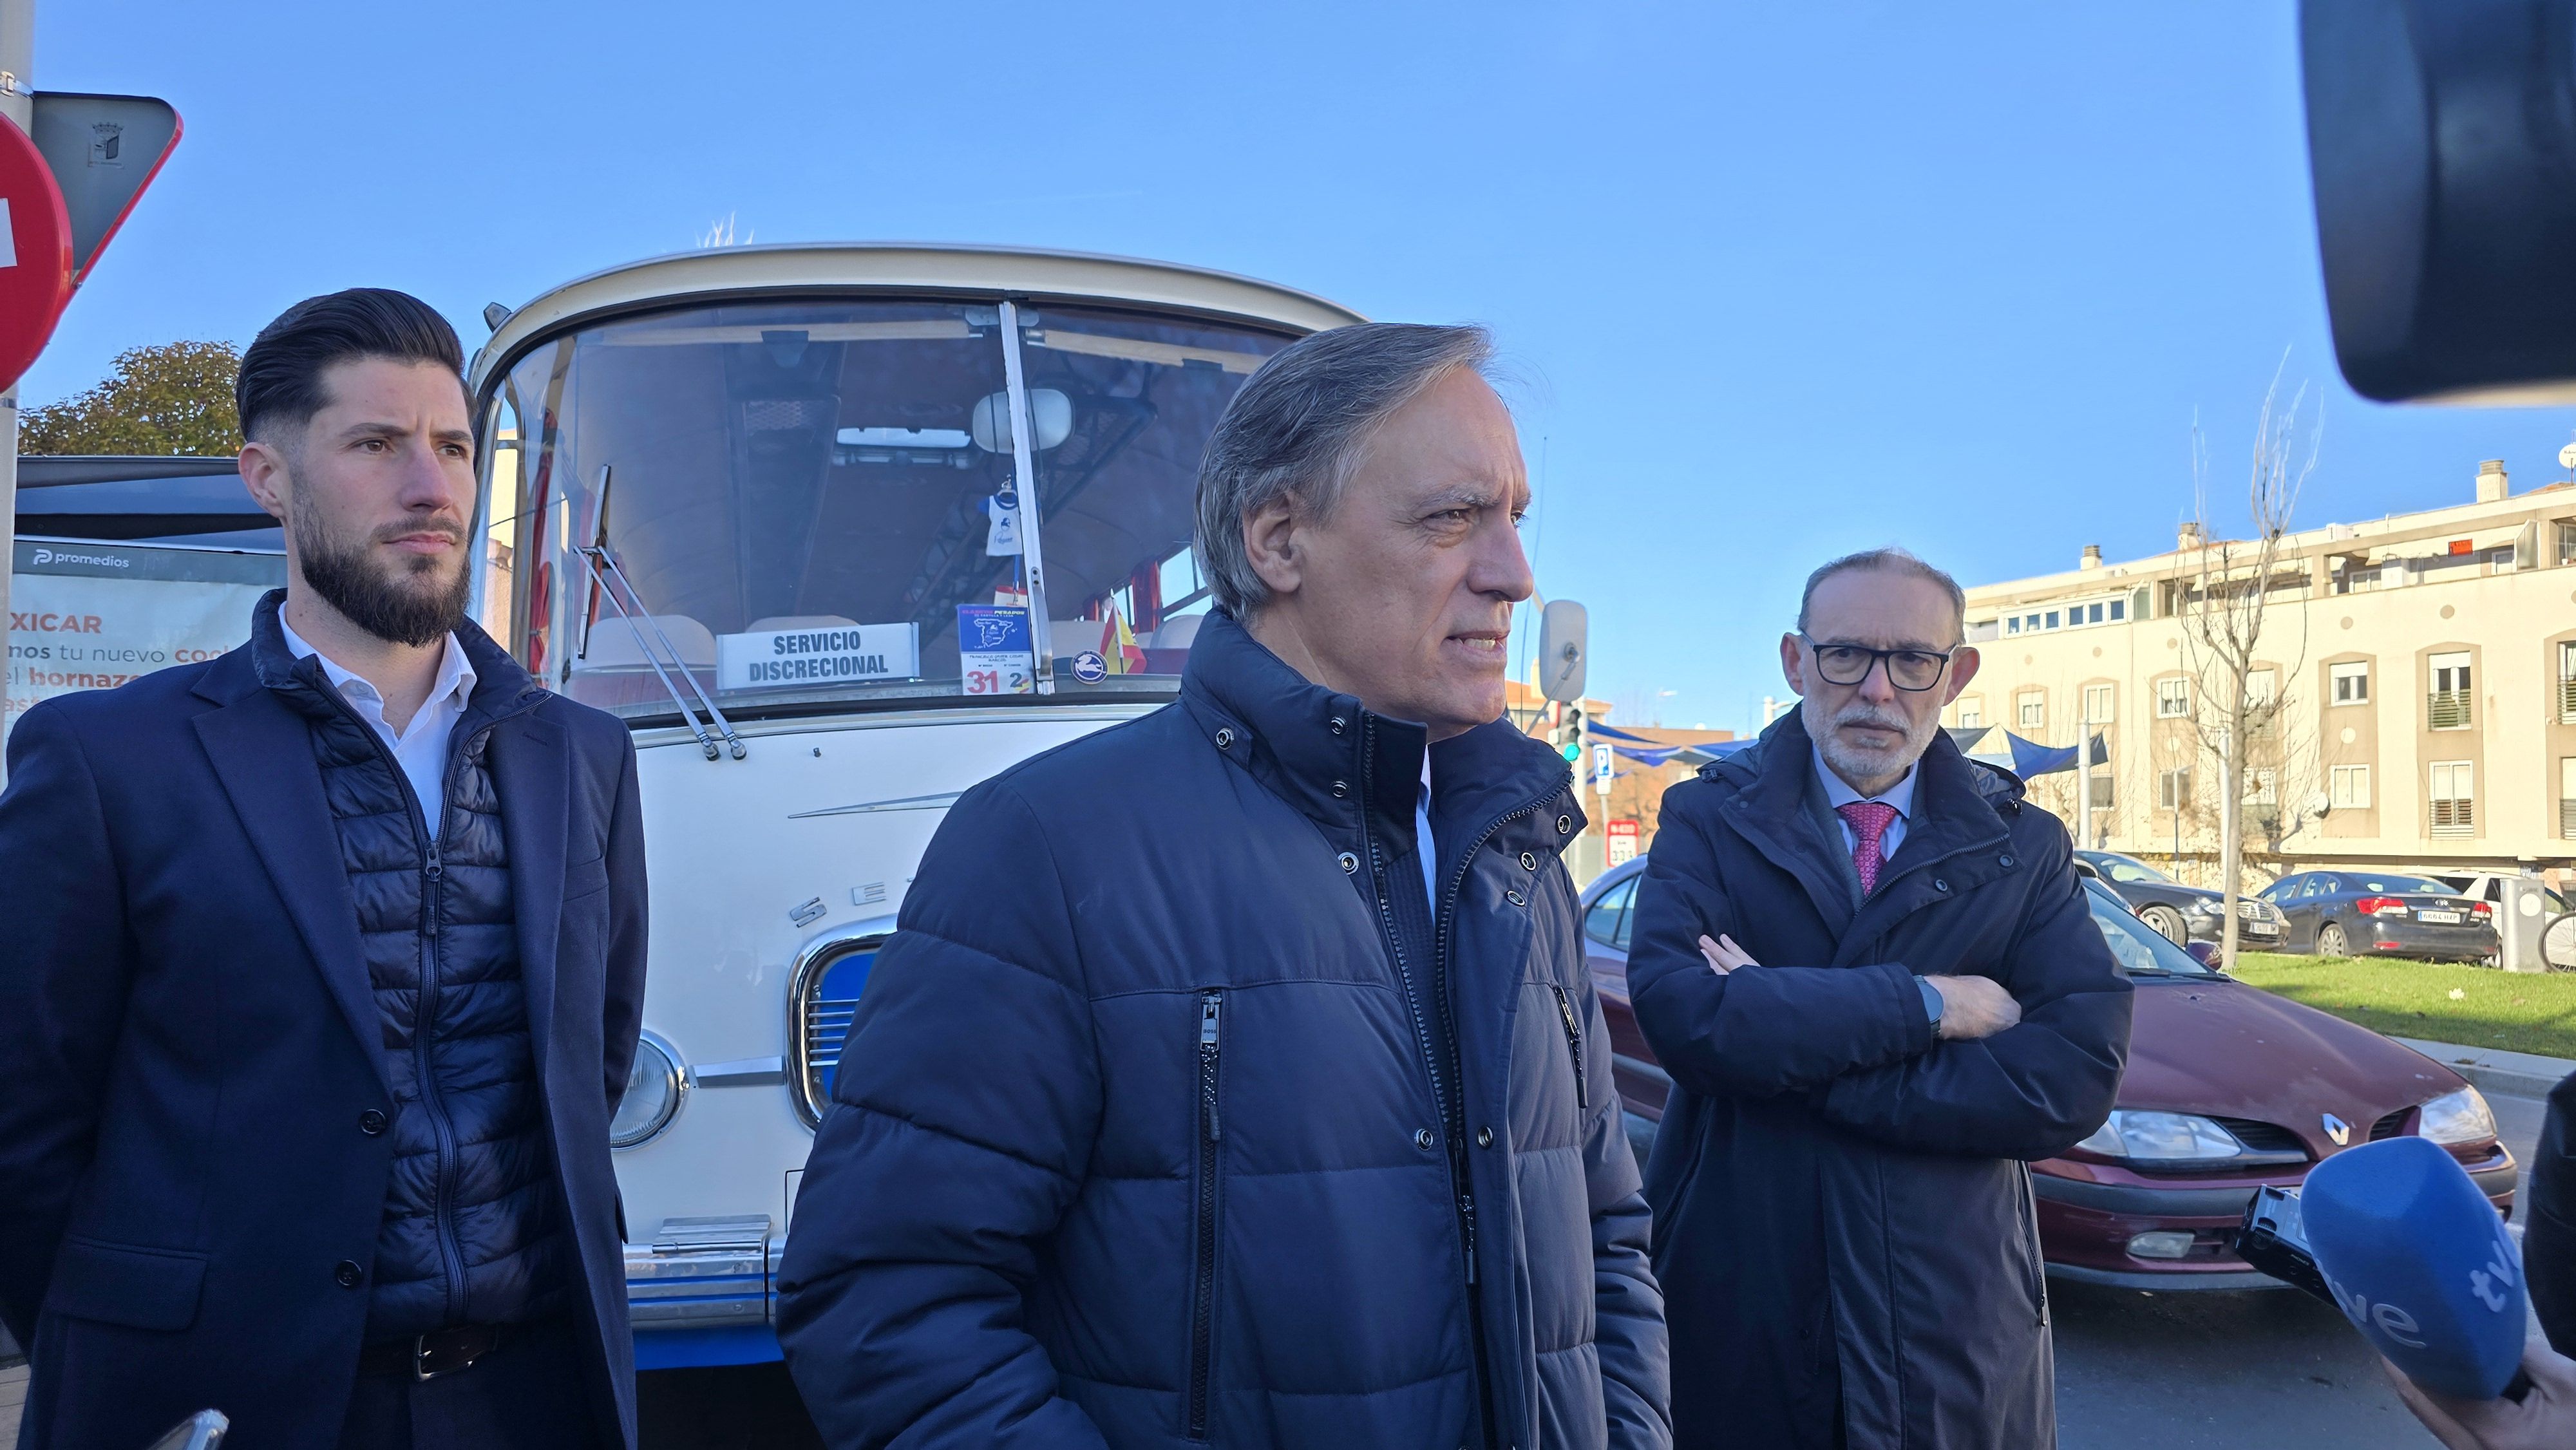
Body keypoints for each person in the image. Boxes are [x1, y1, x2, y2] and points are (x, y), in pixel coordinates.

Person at [777, 323, 1669, 1449]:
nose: (1515, 573)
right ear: (1280, 540)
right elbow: (886, 1303)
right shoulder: (1047, 846)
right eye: (1453, 517)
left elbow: (1607, 1234)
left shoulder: (1514, 856)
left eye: (1515, 519)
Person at [0, 289, 648, 1449]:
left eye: (452, 446)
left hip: (535, 1392)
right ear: (268, 478)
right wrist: (121, 1348)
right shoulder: (107, 761)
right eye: (374, 444)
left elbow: (586, 1063)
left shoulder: (580, 753)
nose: (431, 488)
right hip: (228, 1403)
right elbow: (26, 1118)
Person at [1625, 547, 2132, 1450]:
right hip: (1741, 1297)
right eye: (1846, 655)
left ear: (1957, 673)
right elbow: (1689, 1020)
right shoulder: (1707, 818)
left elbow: (2072, 1076)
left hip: (1954, 1314)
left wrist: (1789, 1036)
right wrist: (1928, 1007)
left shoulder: (2024, 847)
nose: (1878, 691)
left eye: (1912, 661)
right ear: (1796, 662)